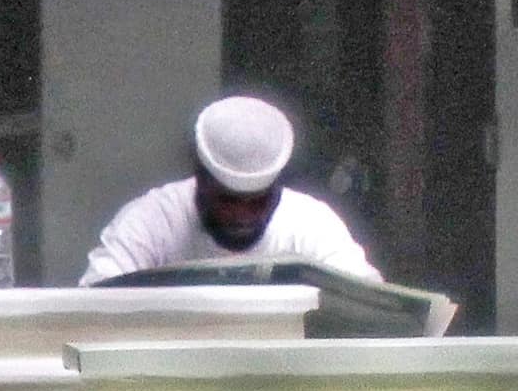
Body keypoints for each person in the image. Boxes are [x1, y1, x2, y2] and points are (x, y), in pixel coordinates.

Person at [78, 94, 379, 286]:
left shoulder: (310, 223)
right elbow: (92, 302)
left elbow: (370, 301)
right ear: (200, 179)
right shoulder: (151, 221)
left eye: (259, 201)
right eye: (228, 200)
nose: (242, 215)